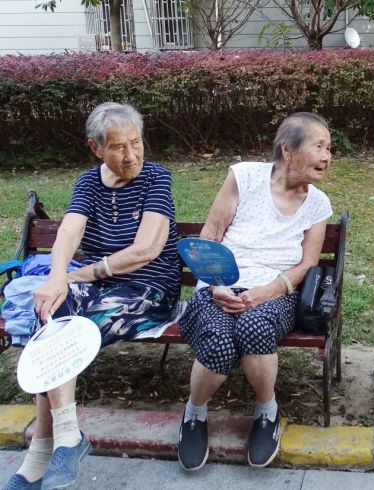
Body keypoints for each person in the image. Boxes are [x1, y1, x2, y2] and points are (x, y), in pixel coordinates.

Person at [5, 102, 180, 490]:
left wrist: (79, 274)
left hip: (147, 290)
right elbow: (69, 232)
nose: (131, 154)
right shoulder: (88, 183)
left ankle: (40, 452)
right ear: (96, 148)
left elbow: (146, 250)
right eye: (119, 147)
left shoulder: (156, 178)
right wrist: (55, 279)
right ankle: (67, 438)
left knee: (71, 328)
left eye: (136, 143)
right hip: (99, 288)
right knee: (50, 313)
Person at [177, 112, 332, 471]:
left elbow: (307, 264)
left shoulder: (318, 203)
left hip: (276, 292)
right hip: (219, 285)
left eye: (330, 148)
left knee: (255, 327)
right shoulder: (244, 176)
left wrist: (268, 291)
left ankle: (267, 412)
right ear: (288, 150)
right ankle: (194, 414)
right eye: (319, 146)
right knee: (218, 340)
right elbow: (210, 237)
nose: (327, 156)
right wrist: (216, 286)